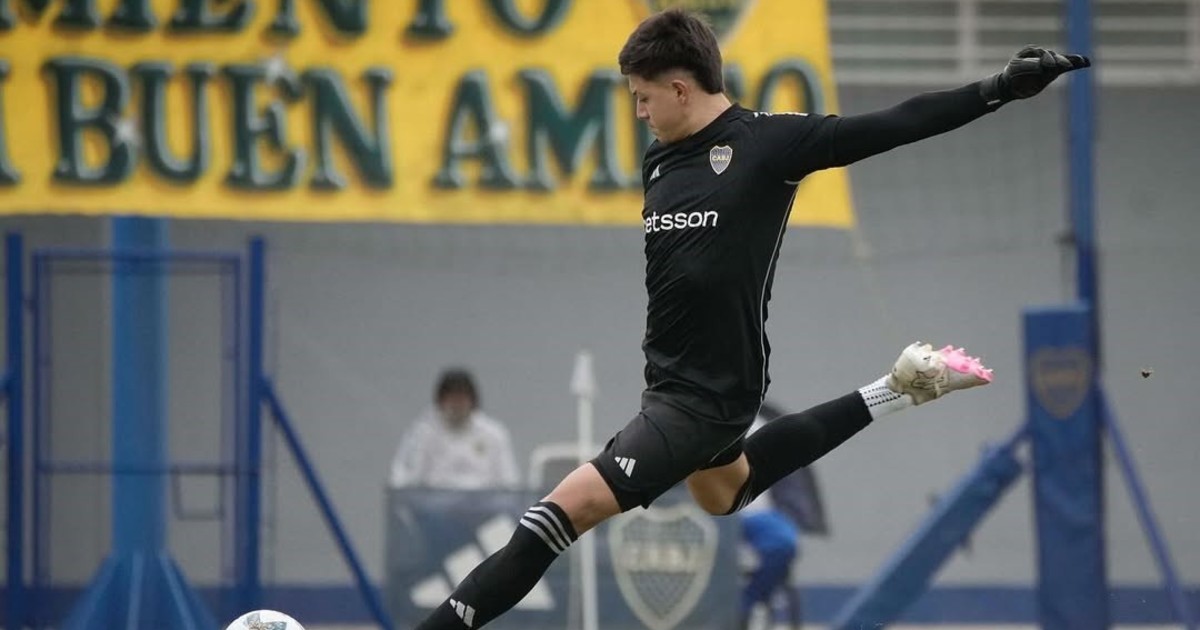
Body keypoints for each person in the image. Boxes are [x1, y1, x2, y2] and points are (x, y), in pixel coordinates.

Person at [415, 9, 1087, 629]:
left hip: (703, 400)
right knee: (725, 493)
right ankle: (896, 390)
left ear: (681, 89)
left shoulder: (769, 144)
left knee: (550, 520)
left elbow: (893, 124)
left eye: (643, 97)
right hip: (672, 390)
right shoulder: (659, 160)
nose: (639, 112)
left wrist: (996, 89)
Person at [389, 368, 519, 490]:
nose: (457, 405)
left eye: (462, 398)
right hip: (434, 503)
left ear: (473, 401)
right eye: (452, 398)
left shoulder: (494, 434)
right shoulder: (422, 434)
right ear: (440, 401)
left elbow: (509, 482)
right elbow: (404, 480)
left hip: (483, 503)